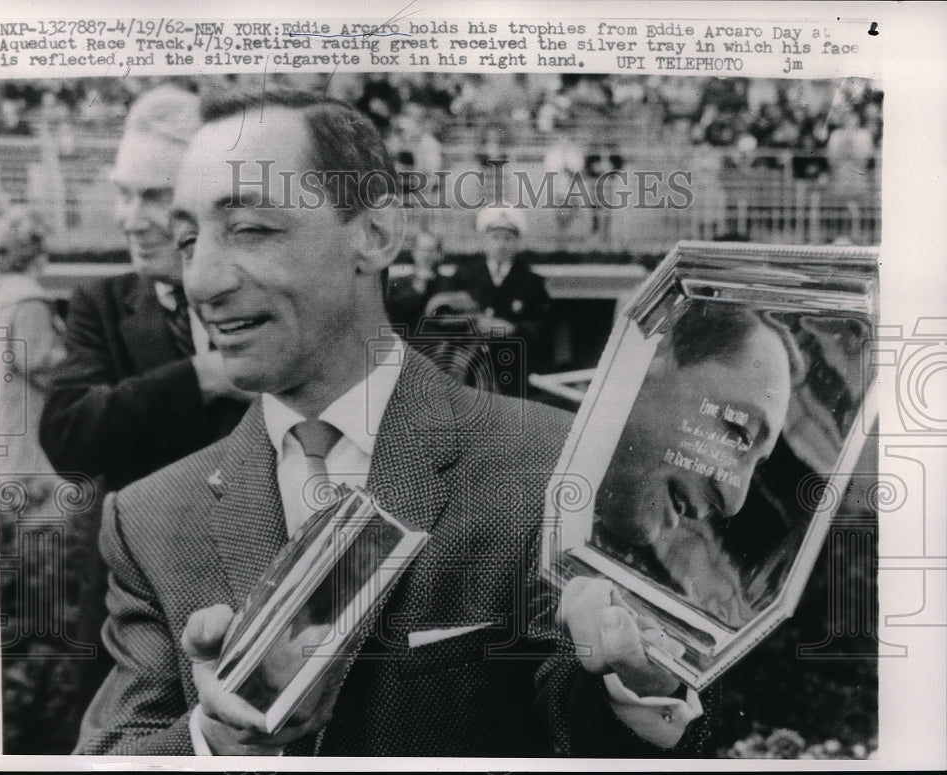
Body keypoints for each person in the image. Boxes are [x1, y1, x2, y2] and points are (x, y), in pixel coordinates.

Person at [73, 87, 715, 757]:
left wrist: (637, 682)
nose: (202, 280)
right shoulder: (146, 522)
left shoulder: (551, 464)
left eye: (251, 229)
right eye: (187, 239)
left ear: (376, 234)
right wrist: (215, 738)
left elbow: (603, 738)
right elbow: (112, 750)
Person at [37, 84, 253, 717]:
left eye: (154, 196)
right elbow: (69, 430)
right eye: (123, 193)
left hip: (255, 586)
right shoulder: (101, 305)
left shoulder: (263, 297)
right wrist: (200, 378)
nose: (130, 218)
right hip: (136, 603)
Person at [591, 302, 796, 626]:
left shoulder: (655, 602)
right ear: (657, 355)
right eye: (738, 431)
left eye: (756, 466)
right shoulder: (499, 461)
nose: (733, 502)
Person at [428, 206, 554, 397]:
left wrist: (513, 328)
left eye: (508, 238)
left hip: (513, 371)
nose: (501, 244)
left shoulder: (532, 282)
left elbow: (544, 325)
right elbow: (441, 318)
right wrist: (474, 323)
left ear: (517, 242)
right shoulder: (464, 276)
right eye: (495, 238)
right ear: (485, 240)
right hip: (469, 371)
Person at [0, 205, 67, 481]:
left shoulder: (1, 297)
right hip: (27, 409)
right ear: (37, 256)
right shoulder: (30, 301)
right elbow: (35, 360)